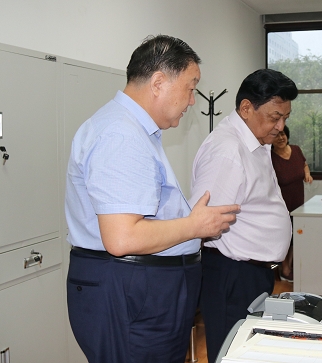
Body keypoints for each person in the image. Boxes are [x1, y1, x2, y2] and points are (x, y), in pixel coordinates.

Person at [65, 35, 239, 363]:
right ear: (158, 83)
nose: (192, 101)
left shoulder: (132, 130)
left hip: (139, 289)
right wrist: (194, 226)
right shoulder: (121, 135)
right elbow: (122, 238)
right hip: (130, 291)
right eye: (190, 88)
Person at [189, 68, 298, 362]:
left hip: (250, 273)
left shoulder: (255, 142)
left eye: (285, 118)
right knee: (232, 355)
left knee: (248, 354)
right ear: (247, 108)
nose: (281, 126)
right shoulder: (227, 151)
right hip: (231, 275)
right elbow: (203, 223)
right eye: (275, 117)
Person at [271, 125, 313, 281]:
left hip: (298, 203)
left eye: (283, 134)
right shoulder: (269, 157)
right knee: (284, 237)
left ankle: (289, 265)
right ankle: (285, 269)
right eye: (276, 135)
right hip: (281, 205)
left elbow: (304, 164)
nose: (281, 138)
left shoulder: (296, 150)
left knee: (297, 235)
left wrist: (307, 174)